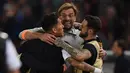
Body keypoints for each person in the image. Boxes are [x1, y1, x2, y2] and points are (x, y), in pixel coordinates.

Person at [18, 3, 106, 73]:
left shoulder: (82, 34)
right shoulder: (45, 29)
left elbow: (94, 41)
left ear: (75, 17)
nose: (67, 18)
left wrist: (101, 52)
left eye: (71, 15)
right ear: (59, 17)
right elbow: (21, 34)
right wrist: (40, 36)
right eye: (63, 15)